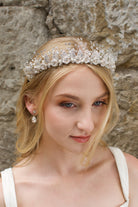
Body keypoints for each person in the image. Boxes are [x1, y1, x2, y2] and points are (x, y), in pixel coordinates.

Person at [0, 36, 138, 207]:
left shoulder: (131, 174)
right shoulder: (7, 196)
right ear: (31, 102)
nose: (87, 124)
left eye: (98, 103)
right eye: (68, 104)